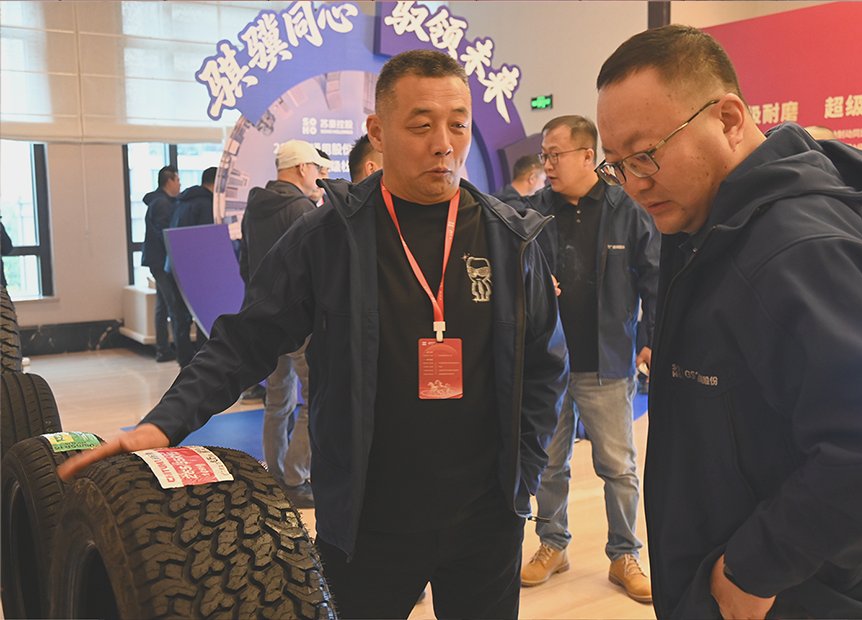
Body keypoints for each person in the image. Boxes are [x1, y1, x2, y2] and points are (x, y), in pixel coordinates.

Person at [60, 49, 568, 620]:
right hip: (367, 524)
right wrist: (164, 423)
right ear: (378, 131)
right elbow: (245, 339)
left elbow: (546, 366)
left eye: (458, 124)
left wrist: (521, 476)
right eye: (422, 125)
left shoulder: (508, 239)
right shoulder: (329, 236)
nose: (444, 144)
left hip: (485, 522)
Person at [595, 24, 862, 619]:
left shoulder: (799, 251)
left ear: (727, 119)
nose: (635, 184)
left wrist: (755, 566)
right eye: (617, 165)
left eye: (647, 154)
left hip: (804, 596)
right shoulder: (705, 227)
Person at [520, 115, 659, 604]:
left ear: (586, 156)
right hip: (548, 362)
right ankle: (552, 544)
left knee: (618, 467)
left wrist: (650, 338)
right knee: (548, 465)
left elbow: (654, 276)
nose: (547, 165)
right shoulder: (533, 211)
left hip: (608, 361)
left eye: (554, 155)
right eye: (543, 155)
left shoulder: (626, 209)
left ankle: (624, 554)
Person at [238, 140, 328, 509]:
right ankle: (296, 477)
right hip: (301, 323)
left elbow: (245, 265)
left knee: (277, 401)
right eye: (317, 168)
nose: (319, 176)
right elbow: (319, 270)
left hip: (266, 320)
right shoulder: (301, 209)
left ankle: (275, 474)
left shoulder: (253, 208)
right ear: (303, 167)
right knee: (316, 398)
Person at [163, 166, 217, 365]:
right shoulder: (207, 205)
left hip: (174, 267)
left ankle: (184, 362)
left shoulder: (180, 201)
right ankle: (203, 364)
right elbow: (208, 240)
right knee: (204, 317)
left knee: (180, 318)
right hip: (197, 270)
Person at [141, 165, 192, 365]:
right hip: (162, 261)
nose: (180, 184)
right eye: (178, 180)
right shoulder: (162, 203)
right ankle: (178, 351)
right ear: (169, 181)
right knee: (173, 306)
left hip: (157, 260)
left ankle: (163, 349)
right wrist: (177, 255)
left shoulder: (158, 201)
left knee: (162, 306)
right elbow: (165, 234)